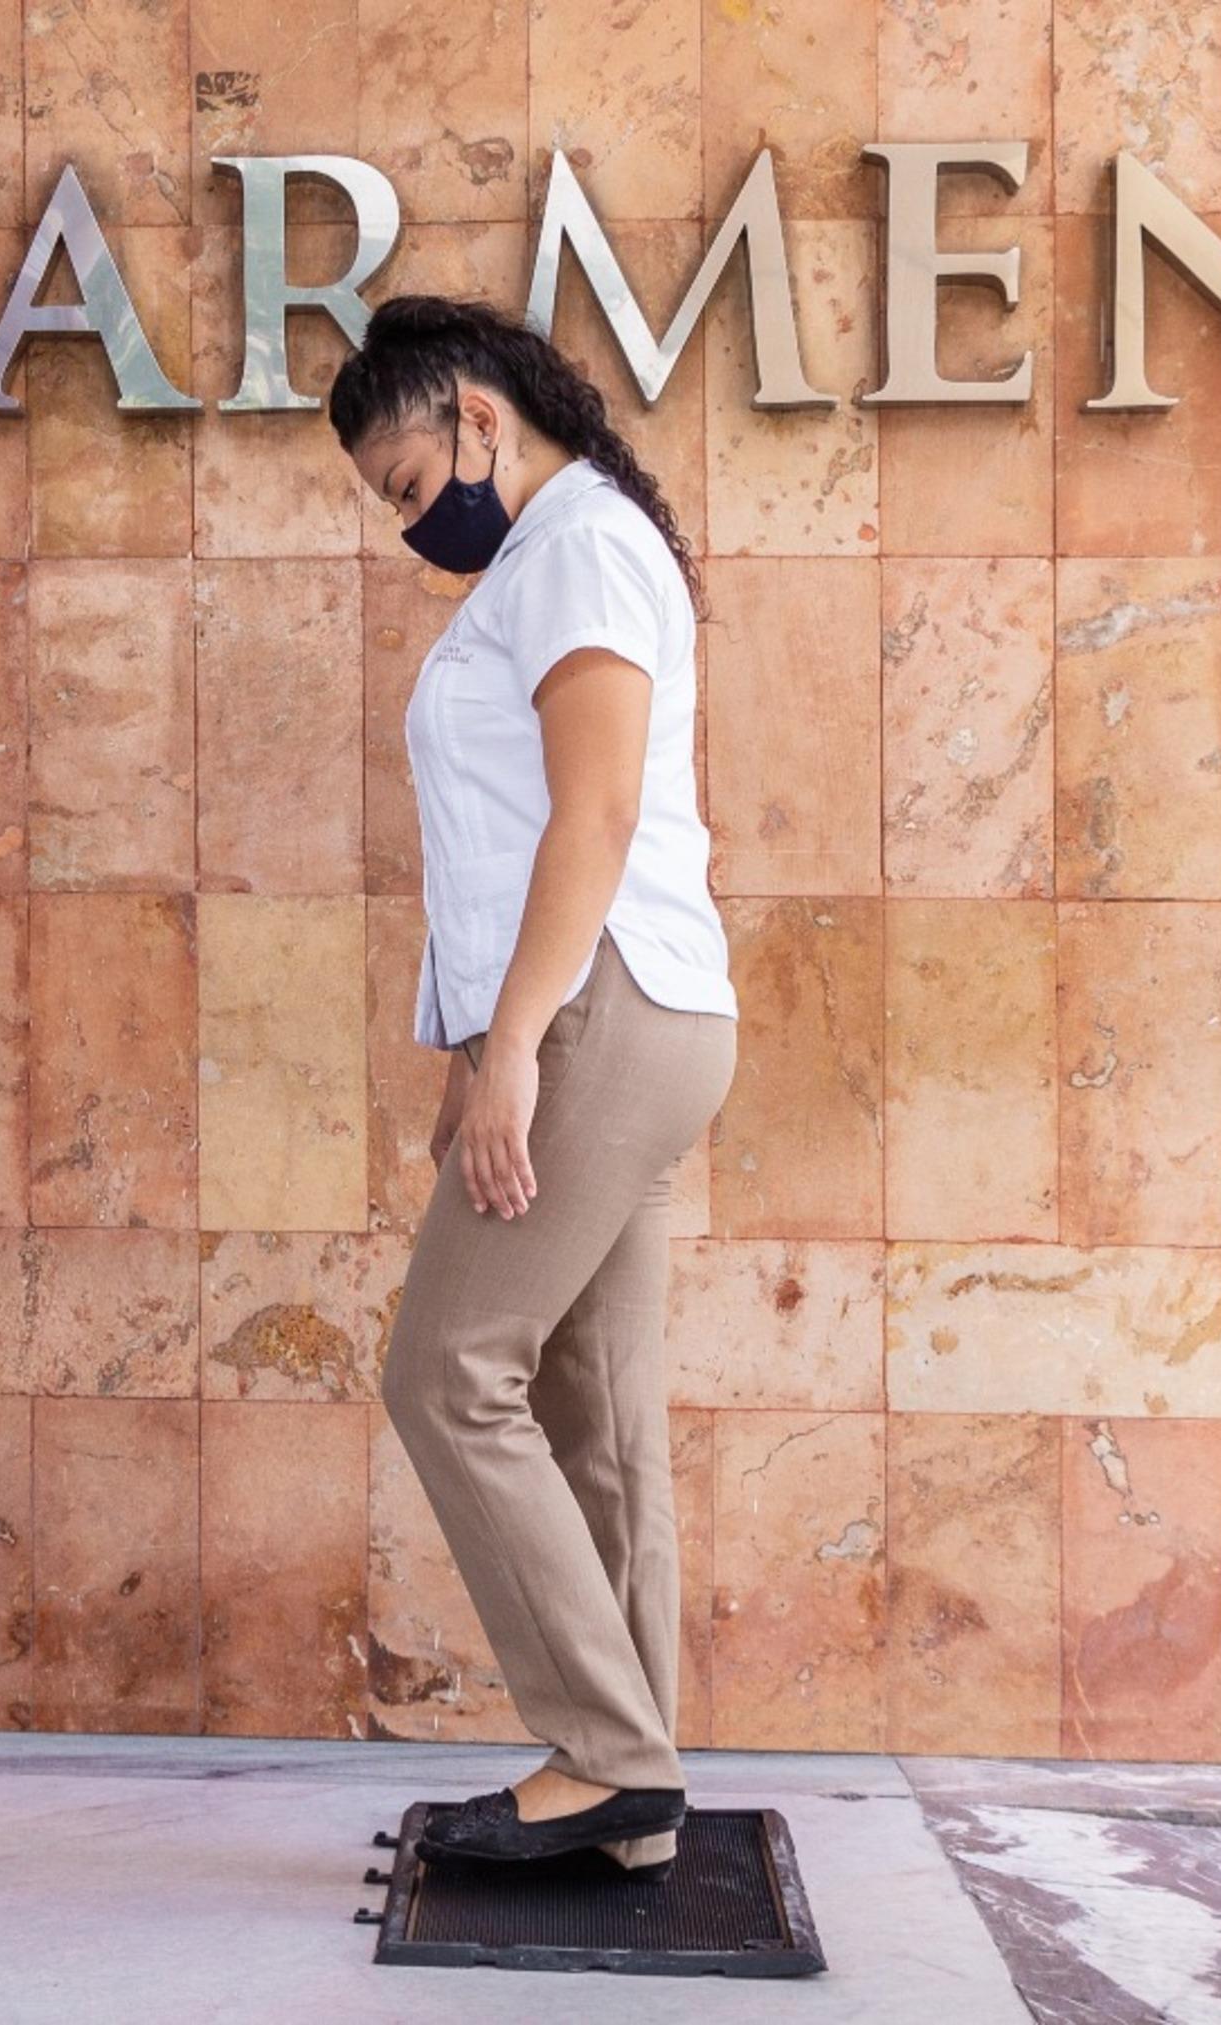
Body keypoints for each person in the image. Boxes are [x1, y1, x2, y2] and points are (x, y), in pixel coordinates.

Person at [331, 296, 739, 1876]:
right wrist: (478, 1041)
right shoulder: (564, 550)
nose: (407, 519)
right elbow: (518, 845)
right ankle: (635, 1794)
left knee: (447, 1369)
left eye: (402, 478)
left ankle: (606, 1758)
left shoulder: (570, 546)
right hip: (639, 1010)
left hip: (599, 1013)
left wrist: (515, 1047)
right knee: (594, 1412)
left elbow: (597, 809)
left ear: (478, 420)